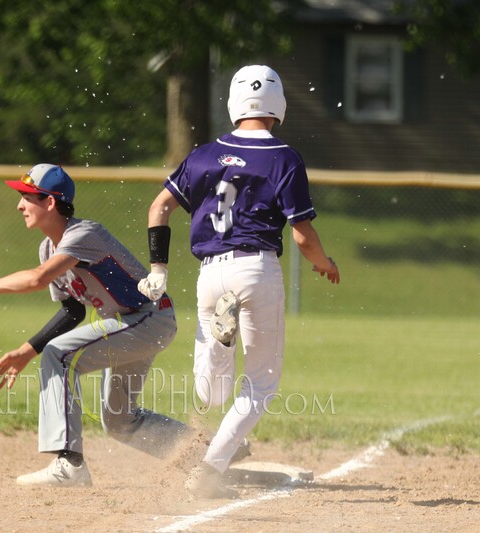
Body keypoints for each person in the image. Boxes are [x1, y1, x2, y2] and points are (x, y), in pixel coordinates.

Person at [138, 64, 340, 498]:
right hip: (256, 268)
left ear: (234, 102)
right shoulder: (284, 157)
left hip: (211, 272)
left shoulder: (204, 154)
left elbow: (158, 209)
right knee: (262, 384)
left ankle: (221, 343)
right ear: (277, 105)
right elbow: (302, 236)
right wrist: (324, 263)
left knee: (210, 395)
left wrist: (158, 271)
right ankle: (209, 470)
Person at [0, 163, 189, 487]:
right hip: (133, 323)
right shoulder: (48, 248)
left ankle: (70, 464)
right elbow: (72, 312)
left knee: (59, 355)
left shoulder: (83, 234)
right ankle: (210, 453)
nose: (19, 205)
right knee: (119, 420)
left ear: (50, 202)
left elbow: (36, 280)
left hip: (147, 317)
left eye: (27, 196)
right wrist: (28, 350)